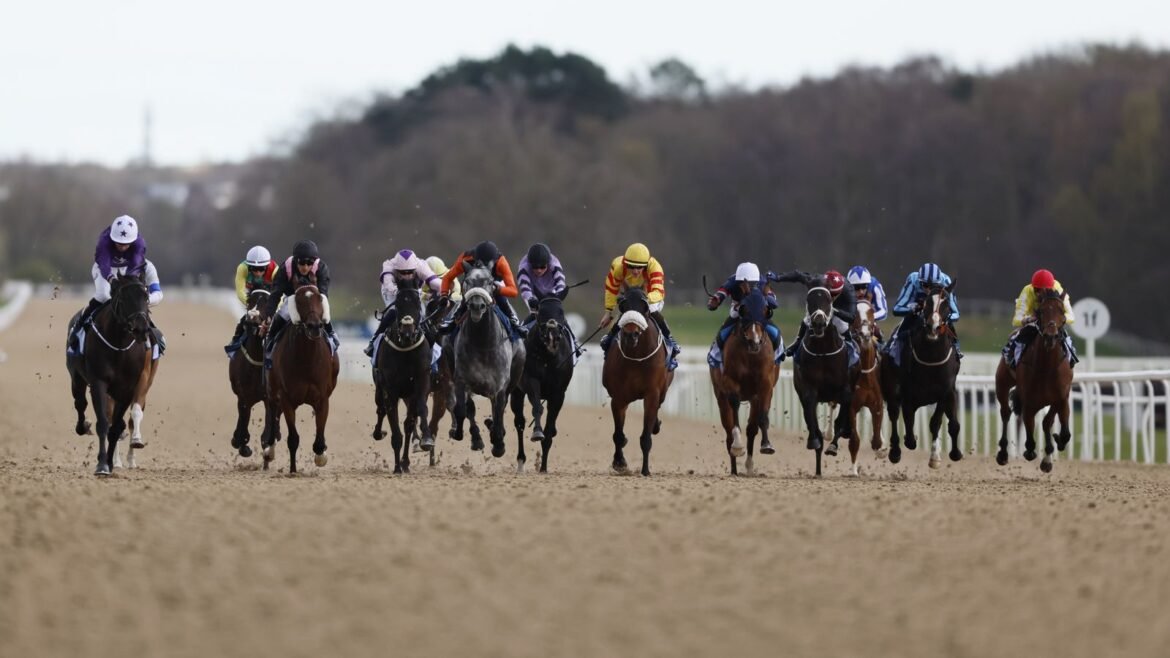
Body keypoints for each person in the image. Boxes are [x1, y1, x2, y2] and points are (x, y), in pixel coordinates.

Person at [69, 215, 148, 354]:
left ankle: (149, 330)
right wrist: (112, 279)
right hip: (104, 269)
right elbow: (104, 264)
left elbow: (135, 265)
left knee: (134, 297)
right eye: (118, 243)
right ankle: (79, 326)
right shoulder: (104, 240)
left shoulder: (139, 243)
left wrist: (128, 282)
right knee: (103, 295)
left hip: (127, 270)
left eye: (126, 244)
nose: (122, 246)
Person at [598, 242, 680, 367]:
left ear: (646, 265)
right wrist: (608, 312)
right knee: (628, 310)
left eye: (639, 267)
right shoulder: (618, 267)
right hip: (630, 295)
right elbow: (611, 289)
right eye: (631, 267)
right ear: (625, 264)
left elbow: (658, 292)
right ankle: (610, 337)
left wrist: (643, 299)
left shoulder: (655, 267)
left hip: (650, 296)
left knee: (651, 309)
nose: (635, 271)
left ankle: (670, 339)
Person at [262, 240, 339, 364]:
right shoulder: (285, 268)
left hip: (314, 297)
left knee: (323, 313)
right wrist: (269, 315)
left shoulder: (321, 268)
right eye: (302, 263)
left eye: (309, 263)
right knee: (283, 313)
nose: (305, 267)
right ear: (295, 260)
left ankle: (331, 335)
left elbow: (323, 294)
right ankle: (270, 343)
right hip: (292, 296)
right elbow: (276, 294)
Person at [439, 240, 526, 339]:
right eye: (480, 262)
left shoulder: (501, 262)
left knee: (502, 300)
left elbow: (513, 291)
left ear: (494, 261)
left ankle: (514, 321)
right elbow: (447, 278)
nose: (483, 266)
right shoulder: (466, 258)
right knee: (466, 293)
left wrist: (497, 289)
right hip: (473, 285)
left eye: (486, 263)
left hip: (494, 285)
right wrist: (444, 295)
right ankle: (452, 322)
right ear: (475, 258)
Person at [769, 269, 857, 365]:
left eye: (834, 295)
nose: (831, 297)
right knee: (809, 318)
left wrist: (834, 310)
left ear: (841, 291)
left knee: (841, 324)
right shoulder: (817, 281)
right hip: (822, 302)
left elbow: (851, 317)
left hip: (840, 307)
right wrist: (778, 277)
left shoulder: (849, 290)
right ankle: (797, 343)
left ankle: (850, 345)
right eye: (829, 293)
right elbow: (797, 275)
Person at [363, 249, 442, 356]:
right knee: (393, 312)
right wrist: (403, 293)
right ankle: (374, 339)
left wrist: (444, 290)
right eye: (402, 272)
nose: (407, 275)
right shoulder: (389, 267)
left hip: (413, 292)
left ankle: (432, 348)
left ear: (415, 269)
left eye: (410, 272)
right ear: (396, 269)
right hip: (393, 292)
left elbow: (435, 282)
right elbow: (388, 285)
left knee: (421, 315)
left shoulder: (421, 266)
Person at [884, 262, 962, 367]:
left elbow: (956, 313)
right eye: (925, 285)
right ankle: (890, 349)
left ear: (940, 283)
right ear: (919, 282)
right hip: (916, 314)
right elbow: (897, 309)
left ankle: (957, 351)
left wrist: (943, 319)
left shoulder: (946, 281)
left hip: (937, 316)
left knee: (950, 327)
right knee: (903, 327)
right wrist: (914, 308)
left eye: (934, 286)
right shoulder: (913, 279)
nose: (929, 290)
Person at [706, 262, 782, 368]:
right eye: (742, 282)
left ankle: (779, 355)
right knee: (722, 334)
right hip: (740, 311)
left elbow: (773, 301)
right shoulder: (733, 280)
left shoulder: (763, 282)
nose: (746, 285)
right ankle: (714, 356)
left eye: (750, 283)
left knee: (776, 333)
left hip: (758, 313)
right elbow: (723, 290)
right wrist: (717, 299)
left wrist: (766, 299)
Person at [1002, 268, 1078, 368]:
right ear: (1032, 287)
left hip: (1052, 324)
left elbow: (1071, 317)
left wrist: (1056, 319)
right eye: (1036, 290)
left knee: (1067, 340)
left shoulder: (1058, 290)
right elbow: (1016, 320)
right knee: (1017, 339)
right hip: (1033, 323)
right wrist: (1028, 319)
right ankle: (1011, 359)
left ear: (1051, 288)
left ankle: (1071, 359)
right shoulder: (1027, 291)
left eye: (1043, 290)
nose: (1039, 293)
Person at [224, 245, 279, 355]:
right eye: (254, 269)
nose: (258, 273)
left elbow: (280, 294)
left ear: (267, 267)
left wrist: (271, 310)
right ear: (249, 267)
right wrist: (251, 307)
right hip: (253, 297)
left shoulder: (275, 270)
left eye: (261, 269)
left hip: (270, 299)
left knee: (279, 322)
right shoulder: (242, 268)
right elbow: (240, 292)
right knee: (246, 320)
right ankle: (235, 343)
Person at [517, 243, 568, 326]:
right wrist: (530, 299)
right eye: (535, 267)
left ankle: (572, 338)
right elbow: (525, 288)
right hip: (534, 293)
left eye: (542, 267)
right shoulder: (524, 267)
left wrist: (559, 294)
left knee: (555, 313)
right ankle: (521, 331)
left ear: (548, 264)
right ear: (530, 264)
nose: (539, 270)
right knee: (535, 314)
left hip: (551, 293)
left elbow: (560, 283)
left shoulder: (554, 265)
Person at [846, 265, 888, 341]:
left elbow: (883, 311)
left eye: (864, 286)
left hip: (868, 323)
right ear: (850, 286)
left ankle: (883, 350)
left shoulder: (875, 286)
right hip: (850, 322)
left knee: (878, 334)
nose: (861, 291)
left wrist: (867, 318)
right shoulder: (844, 289)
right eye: (857, 288)